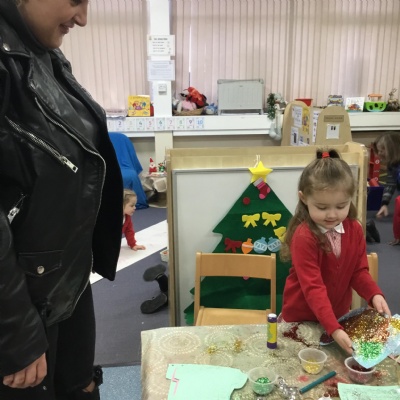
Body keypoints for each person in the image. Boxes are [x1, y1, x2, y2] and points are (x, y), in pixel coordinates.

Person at [0, 0, 123, 399]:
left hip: (63, 277)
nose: (83, 18)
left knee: (80, 384)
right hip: (19, 298)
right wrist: (16, 331)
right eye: (74, 0)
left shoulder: (41, 50)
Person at [280, 149, 391, 355]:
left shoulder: (354, 229)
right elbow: (313, 288)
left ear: (351, 198)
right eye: (322, 207)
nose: (332, 215)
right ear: (304, 198)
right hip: (302, 318)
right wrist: (334, 328)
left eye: (341, 206)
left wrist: (374, 294)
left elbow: (358, 272)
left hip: (337, 317)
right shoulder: (304, 237)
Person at [372, 131, 400, 245]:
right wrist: (384, 204)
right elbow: (390, 184)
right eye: (378, 150)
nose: (379, 153)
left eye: (382, 150)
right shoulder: (392, 165)